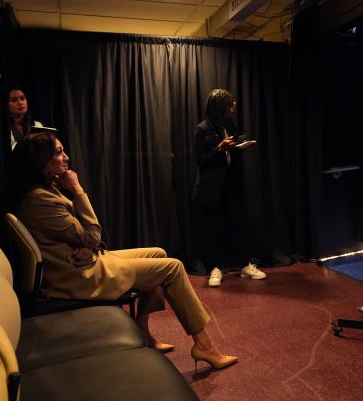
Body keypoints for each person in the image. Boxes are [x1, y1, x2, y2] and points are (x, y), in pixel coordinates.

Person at [12, 132, 237, 370]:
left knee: (159, 253)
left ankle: (143, 332)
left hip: (82, 261)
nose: (66, 157)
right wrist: (77, 190)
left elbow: (77, 236)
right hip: (77, 277)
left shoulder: (48, 189)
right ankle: (204, 345)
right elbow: (92, 234)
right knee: (173, 267)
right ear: (41, 161)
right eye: (58, 152)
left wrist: (86, 244)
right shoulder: (39, 200)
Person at [192, 89, 267, 287]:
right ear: (220, 107)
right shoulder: (202, 129)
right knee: (212, 231)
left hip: (230, 186)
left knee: (237, 226)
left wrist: (239, 144)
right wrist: (219, 149)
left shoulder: (229, 125)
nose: (233, 109)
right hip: (211, 190)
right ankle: (214, 269)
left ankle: (244, 265)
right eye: (230, 105)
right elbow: (201, 161)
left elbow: (230, 155)